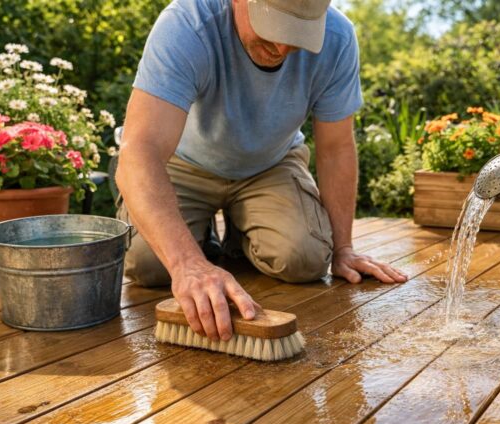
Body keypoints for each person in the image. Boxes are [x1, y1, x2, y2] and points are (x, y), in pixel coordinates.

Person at [114, 0, 408, 346]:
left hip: (270, 164)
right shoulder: (187, 24)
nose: (282, 48)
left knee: (306, 259)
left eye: (298, 32)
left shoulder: (338, 38)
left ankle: (241, 233)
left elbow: (336, 148)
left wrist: (343, 248)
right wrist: (187, 265)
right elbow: (140, 151)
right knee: (150, 266)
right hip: (182, 162)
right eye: (274, 26)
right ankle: (200, 236)